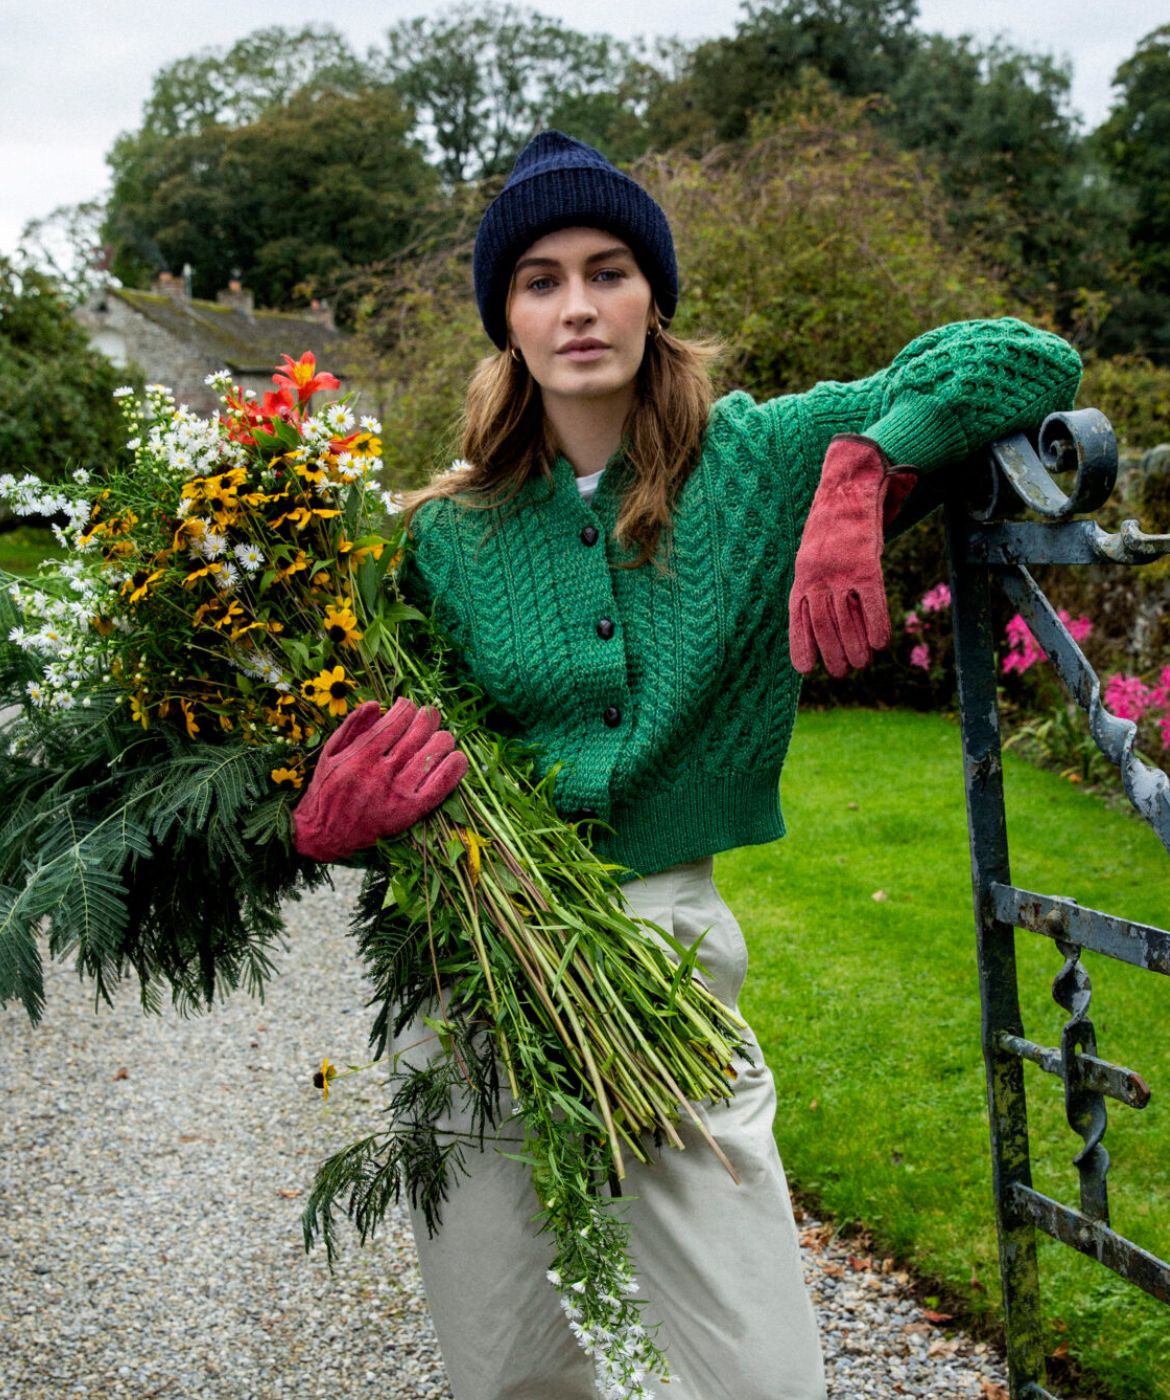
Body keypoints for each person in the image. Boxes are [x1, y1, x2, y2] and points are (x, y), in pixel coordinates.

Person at [293, 132, 1082, 1400]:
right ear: (505, 314)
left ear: (654, 294)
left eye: (608, 270)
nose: (579, 305)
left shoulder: (760, 460)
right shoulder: (444, 533)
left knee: (754, 1373)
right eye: (540, 279)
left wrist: (864, 469)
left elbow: (1024, 356)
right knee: (510, 1374)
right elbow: (377, 735)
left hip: (660, 957)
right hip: (474, 960)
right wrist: (326, 815)